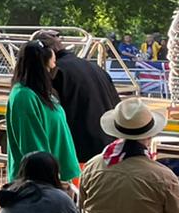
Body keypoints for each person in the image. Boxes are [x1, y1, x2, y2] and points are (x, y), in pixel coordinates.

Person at [29, 29, 119, 167]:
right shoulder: (94, 67)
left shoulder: (55, 72)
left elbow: (50, 115)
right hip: (109, 149)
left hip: (79, 152)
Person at [5, 39, 81, 186]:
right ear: (41, 67)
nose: (54, 69)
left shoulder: (43, 93)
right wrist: (51, 181)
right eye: (51, 65)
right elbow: (32, 146)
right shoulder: (24, 97)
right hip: (39, 186)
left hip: (59, 180)